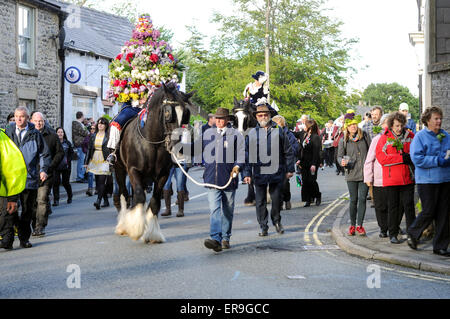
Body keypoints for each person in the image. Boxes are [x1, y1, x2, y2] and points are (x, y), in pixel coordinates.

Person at [186, 107, 246, 252]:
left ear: (227, 120)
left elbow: (242, 154)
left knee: (227, 210)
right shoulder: (207, 134)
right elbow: (195, 148)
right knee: (214, 209)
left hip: (228, 179)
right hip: (211, 178)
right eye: (216, 118)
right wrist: (178, 148)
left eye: (221, 118)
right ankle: (215, 238)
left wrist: (238, 166)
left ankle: (226, 237)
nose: (218, 121)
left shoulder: (236, 135)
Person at [243, 105, 295, 237]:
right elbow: (247, 155)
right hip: (259, 172)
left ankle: (277, 222)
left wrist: (290, 169)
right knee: (260, 201)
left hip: (277, 171)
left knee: (277, 199)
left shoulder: (279, 131)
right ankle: (263, 226)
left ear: (269, 115)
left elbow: (288, 151)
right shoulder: (252, 133)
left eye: (265, 115)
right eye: (260, 115)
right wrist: (247, 173)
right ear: (256, 117)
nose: (263, 117)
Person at [4, 106, 51, 248]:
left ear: (27, 118)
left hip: (29, 177)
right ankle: (8, 240)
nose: (19, 119)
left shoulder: (35, 134)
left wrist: (43, 170)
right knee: (9, 210)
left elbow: (44, 154)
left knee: (27, 210)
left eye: (22, 116)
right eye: (17, 116)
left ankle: (24, 239)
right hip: (11, 178)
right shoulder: (8, 131)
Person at [407, 106, 450, 256]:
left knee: (444, 214)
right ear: (427, 120)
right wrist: (436, 160)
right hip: (427, 181)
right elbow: (417, 159)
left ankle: (440, 246)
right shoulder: (420, 137)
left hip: (445, 179)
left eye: (440, 118)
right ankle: (413, 233)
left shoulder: (445, 135)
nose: (439, 121)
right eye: (436, 119)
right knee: (429, 210)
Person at [375, 111, 415, 244]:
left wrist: (411, 158)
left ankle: (412, 235)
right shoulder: (384, 138)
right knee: (393, 207)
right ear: (391, 125)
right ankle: (393, 234)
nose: (399, 128)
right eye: (396, 126)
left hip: (407, 178)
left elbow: (415, 153)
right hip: (392, 179)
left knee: (409, 206)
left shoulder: (410, 136)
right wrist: (401, 158)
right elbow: (382, 159)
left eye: (401, 125)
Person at [30, 112, 64, 237]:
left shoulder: (52, 135)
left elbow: (60, 153)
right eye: (36, 121)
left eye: (41, 121)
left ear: (44, 121)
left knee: (42, 200)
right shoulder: (28, 135)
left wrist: (50, 167)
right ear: (31, 121)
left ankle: (40, 226)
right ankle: (34, 223)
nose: (38, 123)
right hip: (30, 175)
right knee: (32, 202)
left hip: (47, 174)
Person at [337, 109, 370, 236]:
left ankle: (360, 225)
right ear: (346, 126)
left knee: (362, 199)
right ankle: (352, 225)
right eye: (350, 125)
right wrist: (342, 162)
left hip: (364, 174)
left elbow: (371, 151)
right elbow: (339, 156)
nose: (353, 127)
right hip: (351, 173)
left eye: (354, 124)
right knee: (353, 200)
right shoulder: (343, 140)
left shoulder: (365, 136)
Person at [364, 114, 390, 238]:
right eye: (386, 123)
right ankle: (383, 228)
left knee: (393, 205)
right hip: (378, 179)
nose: (388, 126)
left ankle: (393, 226)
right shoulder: (377, 139)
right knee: (380, 206)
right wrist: (368, 178)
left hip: (392, 179)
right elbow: (369, 160)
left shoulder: (396, 140)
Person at [161, 123, 193, 218]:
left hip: (181, 160)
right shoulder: (167, 130)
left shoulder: (186, 130)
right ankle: (168, 209)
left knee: (180, 184)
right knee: (166, 184)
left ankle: (180, 210)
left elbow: (187, 145)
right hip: (169, 162)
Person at [272, 115, 299, 210]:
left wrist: (290, 169)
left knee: (284, 184)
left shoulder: (289, 135)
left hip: (285, 163)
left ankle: (287, 199)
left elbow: (295, 149)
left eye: (278, 124)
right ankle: (278, 202)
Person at [85, 117, 111, 210]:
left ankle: (98, 201)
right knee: (98, 182)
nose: (100, 125)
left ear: (106, 125)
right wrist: (86, 162)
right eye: (99, 123)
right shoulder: (93, 135)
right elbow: (89, 149)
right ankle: (106, 201)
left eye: (102, 123)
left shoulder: (108, 136)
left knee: (101, 181)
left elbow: (112, 149)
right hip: (95, 159)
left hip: (104, 160)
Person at [298, 119, 322, 207]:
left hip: (312, 162)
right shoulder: (305, 135)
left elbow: (316, 152)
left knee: (311, 181)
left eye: (305, 125)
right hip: (304, 162)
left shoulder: (315, 137)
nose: (303, 126)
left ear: (310, 128)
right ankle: (308, 199)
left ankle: (317, 195)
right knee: (305, 181)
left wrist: (314, 164)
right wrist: (299, 159)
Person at [52, 127, 74, 206]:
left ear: (64, 134)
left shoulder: (67, 143)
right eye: (58, 132)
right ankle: (56, 200)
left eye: (61, 132)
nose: (60, 134)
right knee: (56, 183)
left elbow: (71, 153)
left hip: (66, 166)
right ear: (56, 133)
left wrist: (68, 161)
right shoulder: (54, 143)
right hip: (56, 166)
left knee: (65, 183)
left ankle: (70, 196)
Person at [72, 111, 89, 182]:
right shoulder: (77, 124)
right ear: (81, 116)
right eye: (83, 116)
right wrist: (87, 131)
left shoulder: (79, 124)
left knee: (82, 161)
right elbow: (85, 133)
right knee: (81, 161)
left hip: (82, 145)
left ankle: (82, 175)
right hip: (80, 145)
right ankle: (80, 177)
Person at [82, 123, 97, 196]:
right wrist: (86, 160)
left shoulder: (99, 136)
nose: (92, 130)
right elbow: (85, 147)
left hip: (98, 158)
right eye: (91, 128)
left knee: (97, 174)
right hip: (90, 158)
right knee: (90, 174)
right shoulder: (88, 137)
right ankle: (90, 189)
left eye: (93, 128)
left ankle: (97, 188)